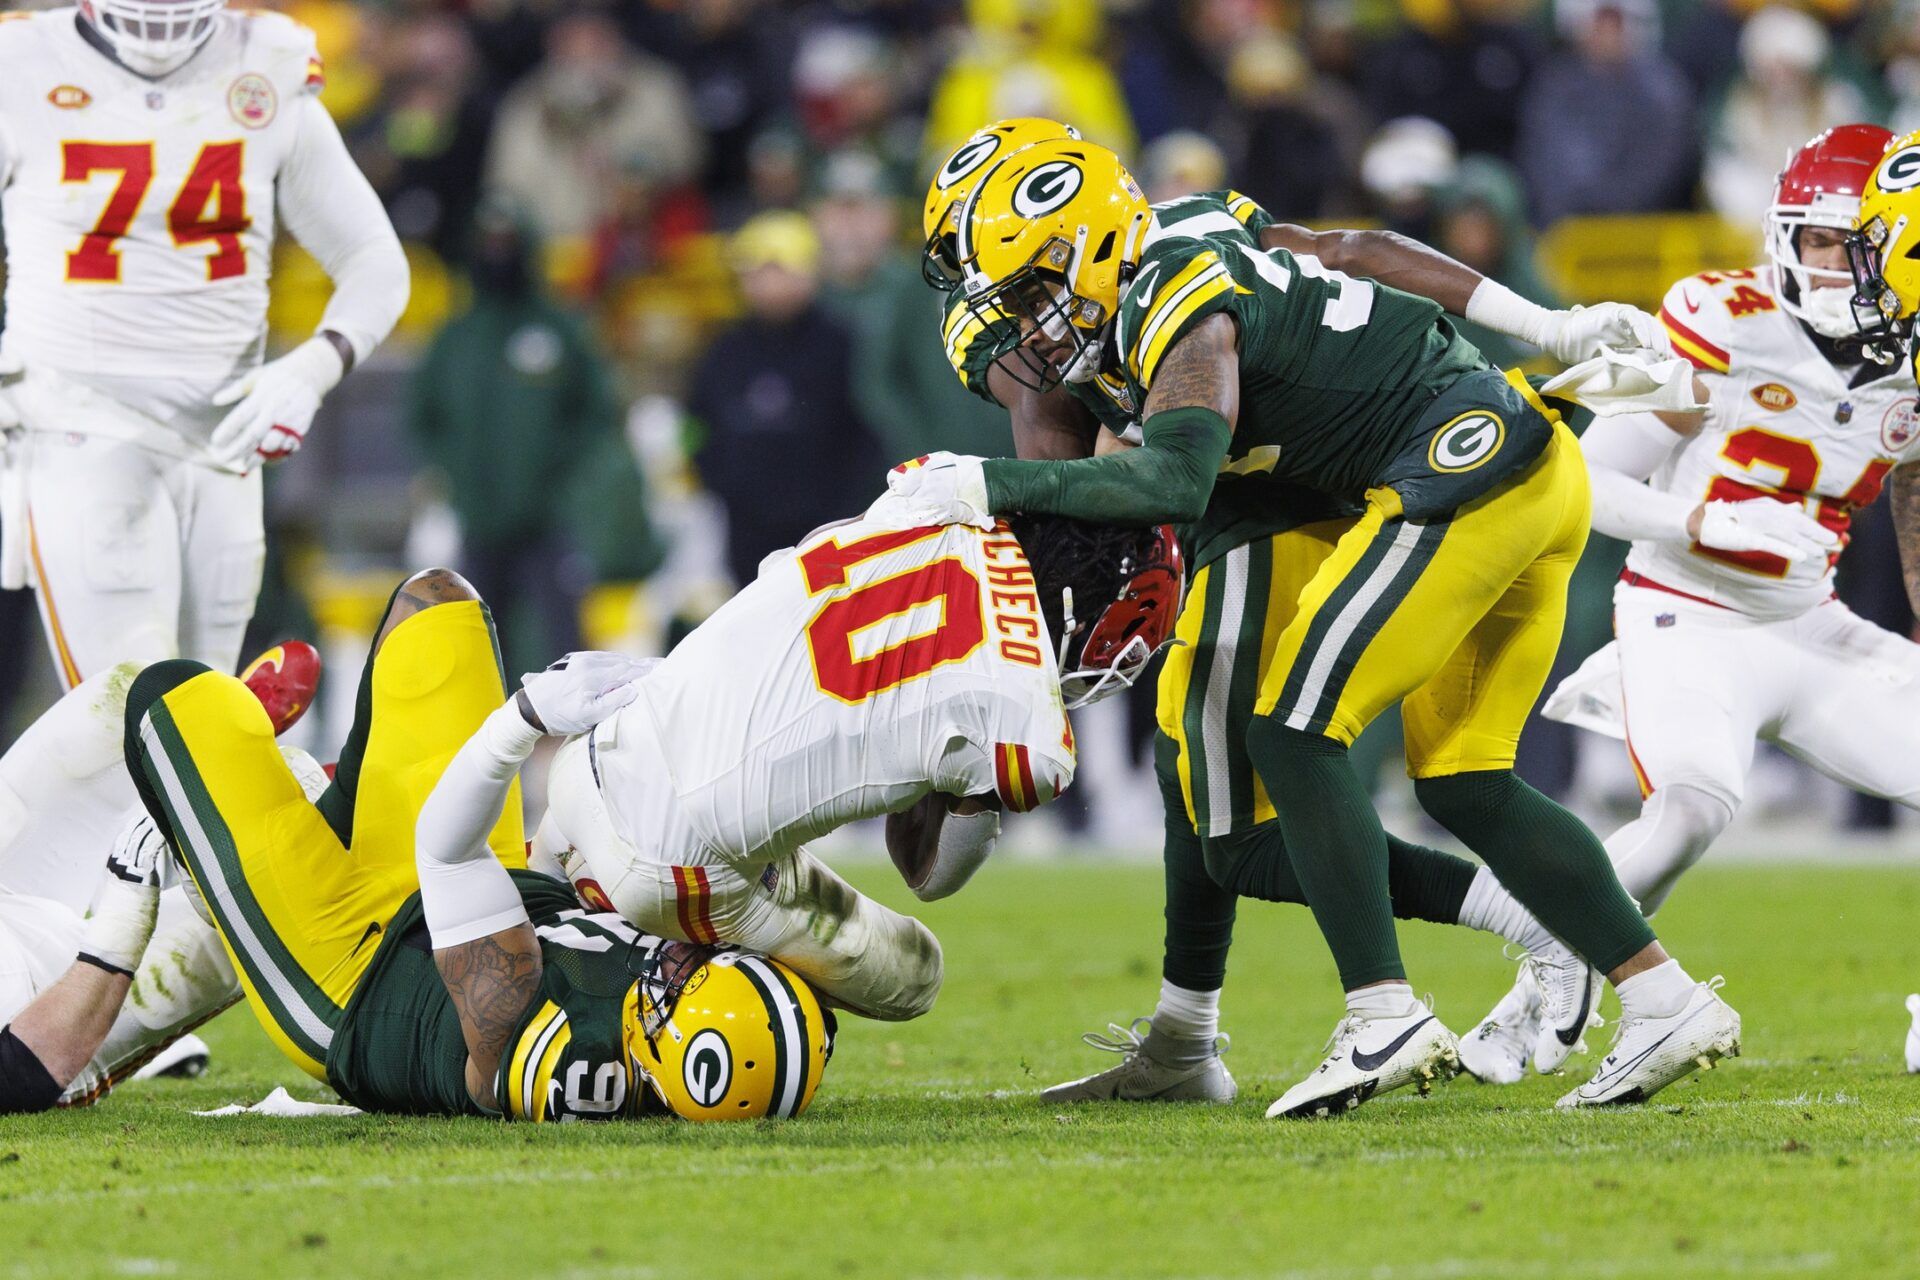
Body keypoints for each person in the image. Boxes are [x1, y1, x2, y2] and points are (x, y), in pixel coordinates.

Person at [891, 136, 1741, 1114]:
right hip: (1507, 461)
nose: (1027, 334)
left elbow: (1176, 475)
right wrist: (1545, 321)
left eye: (1029, 297)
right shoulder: (1175, 242)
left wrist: (979, 482)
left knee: (1293, 727)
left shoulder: (1175, 304)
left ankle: (1383, 1013)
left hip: (1459, 469)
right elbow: (1351, 250)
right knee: (1463, 783)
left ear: (1080, 248)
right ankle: (1663, 996)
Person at [1490, 127, 1920, 1059]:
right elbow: (1583, 480)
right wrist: (1703, 525)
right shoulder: (1718, 316)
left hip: (1811, 625)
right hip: (1683, 611)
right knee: (1687, 814)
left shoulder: (1913, 359)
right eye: (1820, 243)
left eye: (1862, 247)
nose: (1842, 269)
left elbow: (1915, 495)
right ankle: (1553, 963)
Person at [121, 569, 831, 1121]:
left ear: (658, 1051)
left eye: (682, 986)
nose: (684, 960)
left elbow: (446, 848)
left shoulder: (559, 1056)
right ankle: (328, 799)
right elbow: (556, 867)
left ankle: (218, 864)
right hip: (483, 884)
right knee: (439, 602)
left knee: (170, 700)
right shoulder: (720, 1013)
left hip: (349, 968)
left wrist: (527, 719)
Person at [503, 506, 1178, 1028]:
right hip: (669, 864)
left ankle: (582, 902)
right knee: (915, 973)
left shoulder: (933, 505)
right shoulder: (1030, 731)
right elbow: (932, 874)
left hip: (593, 752)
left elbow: (779, 578)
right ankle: (656, 960)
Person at [0, 0, 407, 694]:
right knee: (136, 706)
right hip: (79, 422)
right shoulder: (22, 66)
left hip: (226, 440)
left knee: (198, 703)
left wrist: (311, 368)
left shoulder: (265, 64)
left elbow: (373, 257)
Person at [0, 644, 320, 1113]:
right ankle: (340, 824)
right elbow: (23, 1074)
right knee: (276, 887)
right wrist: (123, 914)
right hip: (55, 1012)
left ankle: (218, 736)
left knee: (129, 696)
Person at [406, 199, 622, 678]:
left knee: (564, 632)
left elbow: (595, 409)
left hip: (548, 515)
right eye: (488, 244)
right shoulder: (456, 335)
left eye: (506, 244)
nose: (497, 254)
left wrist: (560, 472)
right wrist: (457, 471)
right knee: (477, 635)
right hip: (478, 517)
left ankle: (578, 736)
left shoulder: (556, 327)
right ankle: (488, 737)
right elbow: (424, 415)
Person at [688, 212, 885, 589]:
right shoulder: (722, 351)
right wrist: (718, 481)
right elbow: (694, 426)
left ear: (810, 273)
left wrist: (850, 505)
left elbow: (870, 428)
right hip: (747, 529)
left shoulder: (841, 344)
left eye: (783, 270)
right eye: (759, 272)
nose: (772, 284)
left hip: (828, 526)